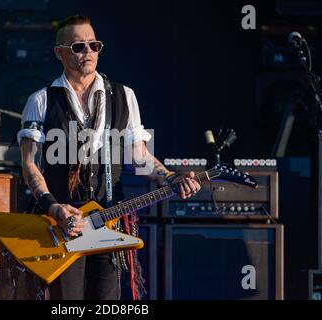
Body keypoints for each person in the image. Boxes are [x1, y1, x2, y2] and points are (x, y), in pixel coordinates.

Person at [17, 15, 201, 300]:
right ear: (59, 52)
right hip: (62, 226)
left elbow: (139, 157)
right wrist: (54, 208)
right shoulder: (40, 100)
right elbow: (30, 164)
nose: (88, 52)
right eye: (78, 46)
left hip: (108, 220)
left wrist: (172, 176)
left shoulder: (124, 95)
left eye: (94, 45)